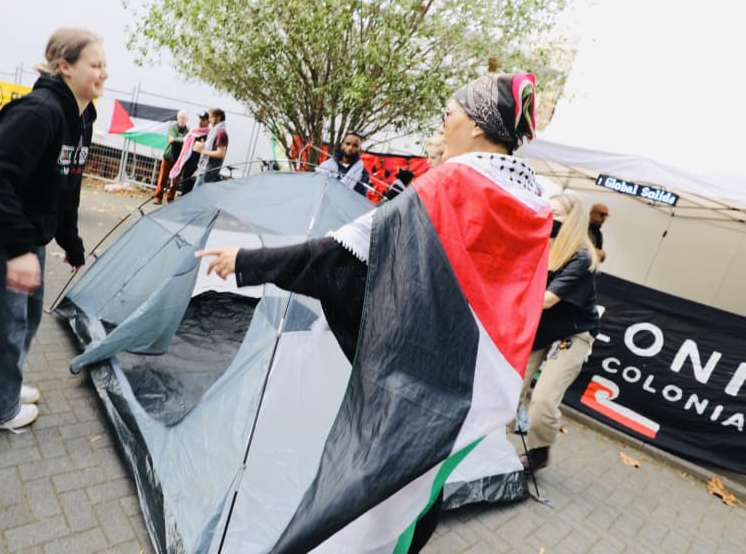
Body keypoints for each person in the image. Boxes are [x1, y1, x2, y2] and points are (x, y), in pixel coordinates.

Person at [196, 73, 551, 552]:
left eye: (452, 111)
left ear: (478, 125)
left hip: (419, 378)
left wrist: (247, 261)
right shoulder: (530, 202)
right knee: (422, 486)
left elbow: (346, 254)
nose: (444, 120)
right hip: (481, 380)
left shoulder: (454, 182)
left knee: (370, 494)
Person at [0, 27, 103, 431]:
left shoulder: (81, 118)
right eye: (95, 65)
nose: (103, 74)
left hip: (22, 234)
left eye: (105, 66)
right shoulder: (39, 112)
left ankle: (1, 388)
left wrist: (71, 242)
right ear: (64, 66)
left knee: (23, 319)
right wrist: (17, 249)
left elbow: (67, 185)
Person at [518, 193, 601, 472]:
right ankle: (488, 445)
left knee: (542, 401)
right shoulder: (538, 244)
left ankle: (539, 451)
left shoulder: (581, 257)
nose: (548, 217)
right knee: (508, 389)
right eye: (546, 211)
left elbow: (547, 300)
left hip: (572, 333)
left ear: (571, 220)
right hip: (540, 329)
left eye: (555, 213)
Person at [315, 131, 371, 196]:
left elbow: (359, 199)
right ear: (342, 145)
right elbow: (316, 184)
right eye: (347, 144)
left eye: (355, 146)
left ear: (360, 150)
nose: (350, 148)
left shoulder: (362, 174)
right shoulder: (327, 164)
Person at [169, 111, 210, 198]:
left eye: (203, 119)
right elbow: (184, 141)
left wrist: (198, 169)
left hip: (197, 166)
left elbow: (205, 155)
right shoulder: (193, 131)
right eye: (200, 118)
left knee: (193, 191)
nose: (200, 121)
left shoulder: (208, 135)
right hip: (187, 163)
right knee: (185, 187)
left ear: (208, 121)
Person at [152, 109, 189, 204]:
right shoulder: (173, 127)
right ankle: (158, 197)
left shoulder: (188, 130)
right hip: (168, 156)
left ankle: (170, 199)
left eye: (184, 118)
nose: (182, 120)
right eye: (180, 117)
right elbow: (171, 140)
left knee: (175, 180)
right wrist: (183, 140)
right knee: (162, 178)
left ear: (187, 119)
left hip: (179, 159)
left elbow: (187, 142)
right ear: (177, 118)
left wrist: (179, 140)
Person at [193, 107, 228, 186]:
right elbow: (213, 148)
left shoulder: (221, 133)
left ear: (218, 118)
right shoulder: (215, 131)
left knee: (198, 195)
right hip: (204, 168)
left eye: (211, 117)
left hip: (209, 170)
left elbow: (220, 153)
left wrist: (202, 151)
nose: (209, 120)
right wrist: (204, 145)